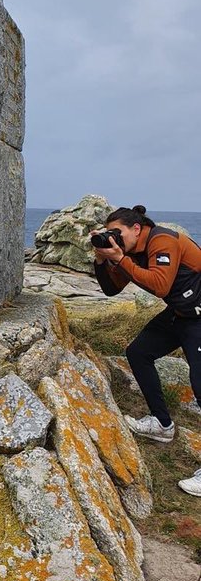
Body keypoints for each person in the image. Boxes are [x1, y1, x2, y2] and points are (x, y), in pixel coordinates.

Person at [92, 204, 201, 497]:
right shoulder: (131, 250)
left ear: (137, 228)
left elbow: (160, 285)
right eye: (109, 233)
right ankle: (162, 424)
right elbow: (111, 290)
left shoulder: (163, 240)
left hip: (198, 315)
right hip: (181, 314)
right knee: (139, 352)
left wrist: (120, 259)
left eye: (117, 233)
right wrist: (103, 259)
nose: (114, 238)